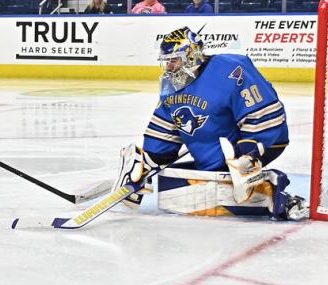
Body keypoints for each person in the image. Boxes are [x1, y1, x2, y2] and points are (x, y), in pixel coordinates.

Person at [112, 27, 308, 221]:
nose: (169, 67)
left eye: (174, 60)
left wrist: (249, 154)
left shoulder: (231, 69)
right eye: (167, 62)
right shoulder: (170, 83)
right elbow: (165, 125)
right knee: (192, 187)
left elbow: (263, 112)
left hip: (260, 142)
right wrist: (150, 159)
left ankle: (278, 195)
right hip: (214, 156)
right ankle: (245, 182)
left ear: (192, 55)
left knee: (233, 181)